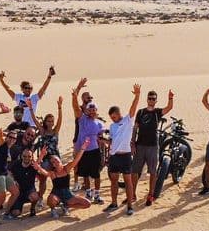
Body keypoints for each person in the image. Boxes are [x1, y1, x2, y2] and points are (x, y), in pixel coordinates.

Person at [131, 88, 174, 206]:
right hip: (140, 145)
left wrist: (170, 98)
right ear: (147, 100)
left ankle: (150, 194)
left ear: (156, 101)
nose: (151, 100)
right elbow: (135, 128)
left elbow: (169, 108)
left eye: (153, 99)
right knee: (135, 171)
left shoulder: (157, 112)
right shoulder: (140, 112)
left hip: (153, 146)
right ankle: (132, 194)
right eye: (149, 98)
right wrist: (132, 142)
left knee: (153, 172)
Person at [31, 138, 95, 218]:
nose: (55, 162)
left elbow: (76, 160)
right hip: (56, 193)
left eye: (56, 160)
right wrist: (41, 155)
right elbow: (39, 168)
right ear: (52, 165)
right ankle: (53, 209)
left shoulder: (66, 168)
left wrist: (83, 148)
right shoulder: (52, 173)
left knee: (87, 203)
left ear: (60, 160)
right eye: (53, 162)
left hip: (67, 194)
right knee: (51, 200)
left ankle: (66, 206)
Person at [104, 84, 142, 215]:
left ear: (118, 113)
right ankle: (114, 203)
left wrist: (137, 95)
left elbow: (133, 108)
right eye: (111, 118)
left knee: (128, 181)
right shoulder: (112, 126)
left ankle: (130, 206)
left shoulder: (128, 120)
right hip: (114, 156)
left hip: (125, 156)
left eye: (114, 117)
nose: (113, 119)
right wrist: (102, 141)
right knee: (113, 180)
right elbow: (112, 141)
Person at [71, 81, 105, 204]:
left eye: (93, 110)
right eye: (89, 110)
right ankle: (88, 193)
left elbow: (101, 137)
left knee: (96, 174)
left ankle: (97, 194)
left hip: (95, 151)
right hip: (83, 150)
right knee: (85, 174)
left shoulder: (99, 123)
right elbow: (75, 106)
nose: (91, 112)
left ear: (96, 111)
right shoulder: (82, 119)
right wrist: (76, 92)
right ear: (86, 111)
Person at [5, 147, 43, 218]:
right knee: (15, 213)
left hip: (29, 191)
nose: (27, 158)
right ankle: (11, 208)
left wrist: (41, 156)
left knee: (35, 196)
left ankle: (32, 209)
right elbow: (7, 171)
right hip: (18, 192)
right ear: (21, 156)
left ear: (32, 157)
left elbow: (40, 167)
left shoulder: (33, 165)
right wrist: (13, 179)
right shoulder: (16, 164)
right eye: (24, 156)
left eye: (29, 156)